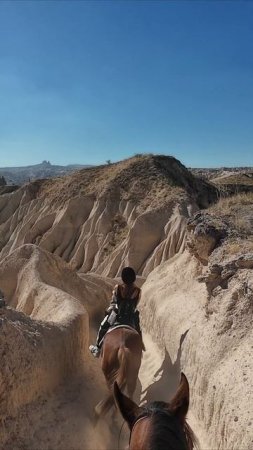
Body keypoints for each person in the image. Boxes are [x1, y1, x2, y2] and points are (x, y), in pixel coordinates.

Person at [89, 267, 142, 358]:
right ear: (133, 278)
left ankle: (97, 348)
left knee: (103, 326)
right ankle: (140, 348)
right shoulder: (138, 291)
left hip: (117, 315)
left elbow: (114, 302)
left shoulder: (118, 288)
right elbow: (135, 305)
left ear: (123, 278)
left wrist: (109, 310)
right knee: (138, 330)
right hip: (131, 317)